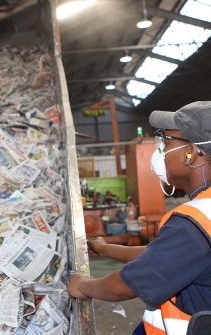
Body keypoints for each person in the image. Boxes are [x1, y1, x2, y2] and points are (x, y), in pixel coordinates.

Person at [67, 101, 211, 335]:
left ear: (191, 153)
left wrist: (84, 286)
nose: (160, 151)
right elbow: (165, 257)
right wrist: (107, 249)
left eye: (166, 141)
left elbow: (130, 283)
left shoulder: (194, 222)